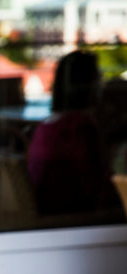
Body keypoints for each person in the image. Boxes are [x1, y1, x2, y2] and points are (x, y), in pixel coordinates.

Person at [27, 50, 113, 215]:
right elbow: (96, 187)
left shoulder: (47, 125)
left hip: (48, 209)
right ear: (89, 84)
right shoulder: (79, 127)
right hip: (73, 216)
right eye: (98, 76)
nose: (102, 81)